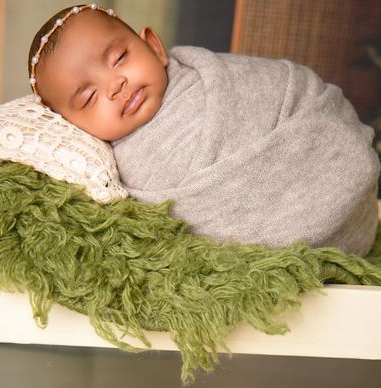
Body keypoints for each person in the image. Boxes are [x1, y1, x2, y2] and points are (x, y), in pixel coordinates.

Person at [27, 4, 380, 255]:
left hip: (340, 180)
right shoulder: (116, 166)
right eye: (89, 97)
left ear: (153, 46)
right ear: (74, 127)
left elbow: (293, 87)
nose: (116, 84)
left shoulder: (215, 77)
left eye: (119, 58)